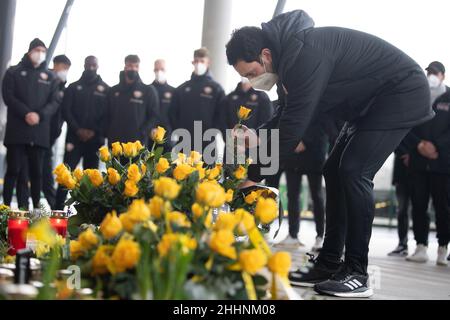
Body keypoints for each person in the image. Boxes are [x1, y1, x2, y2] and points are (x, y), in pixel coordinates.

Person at [225, 10, 433, 297]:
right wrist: (258, 134)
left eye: (252, 73)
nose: (251, 81)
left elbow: (292, 129)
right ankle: (329, 262)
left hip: (400, 92)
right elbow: (286, 112)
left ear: (265, 54)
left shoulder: (303, 56)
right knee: (332, 170)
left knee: (354, 170)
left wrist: (252, 177)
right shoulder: (288, 60)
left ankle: (358, 273)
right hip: (367, 105)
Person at [1, 38, 59, 211]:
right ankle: (5, 209)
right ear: (29, 51)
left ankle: (35, 210)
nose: (40, 53)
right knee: (14, 170)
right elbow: (8, 96)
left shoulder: (51, 77)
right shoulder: (13, 72)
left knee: (37, 173)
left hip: (39, 132)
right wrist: (26, 113)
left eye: (43, 50)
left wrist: (38, 115)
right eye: (37, 50)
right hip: (17, 131)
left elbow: (54, 102)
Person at [402, 62, 450, 266]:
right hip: (418, 161)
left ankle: (443, 247)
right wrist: (418, 145)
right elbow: (406, 123)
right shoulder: (417, 96)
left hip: (442, 162)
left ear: (443, 76)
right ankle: (420, 246)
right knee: (418, 205)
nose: (431, 76)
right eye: (428, 72)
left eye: (434, 73)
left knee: (443, 207)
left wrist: (436, 146)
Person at [54, 56, 109, 210]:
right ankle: (57, 209)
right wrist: (78, 129)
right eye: (88, 64)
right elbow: (66, 110)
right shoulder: (73, 87)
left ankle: (87, 213)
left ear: (98, 66)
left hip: (94, 141)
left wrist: (94, 132)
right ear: (84, 65)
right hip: (74, 138)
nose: (91, 67)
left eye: (94, 65)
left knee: (91, 179)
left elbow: (107, 115)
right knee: (66, 175)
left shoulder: (106, 90)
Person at [169, 47, 225, 155]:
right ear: (193, 62)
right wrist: (179, 131)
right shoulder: (182, 89)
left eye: (202, 61)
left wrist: (211, 131)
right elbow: (172, 113)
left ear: (208, 63)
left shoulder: (216, 89)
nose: (199, 64)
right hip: (183, 143)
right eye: (196, 61)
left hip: (207, 144)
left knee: (207, 172)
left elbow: (221, 115)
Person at [105, 55, 160, 147]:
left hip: (138, 144)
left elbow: (154, 115)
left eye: (136, 66)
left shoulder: (148, 91)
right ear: (125, 67)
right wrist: (108, 132)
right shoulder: (113, 91)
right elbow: (106, 115)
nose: (133, 69)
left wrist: (143, 132)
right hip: (115, 144)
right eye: (130, 66)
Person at [387, 152, 412, 257]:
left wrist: (414, 155)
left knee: (422, 210)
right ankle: (402, 244)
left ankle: (423, 245)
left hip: (423, 169)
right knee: (402, 210)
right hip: (401, 172)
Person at [151, 59, 175, 152]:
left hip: (168, 140)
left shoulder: (173, 92)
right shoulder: (148, 91)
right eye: (156, 69)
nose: (159, 72)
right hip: (150, 140)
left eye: (162, 69)